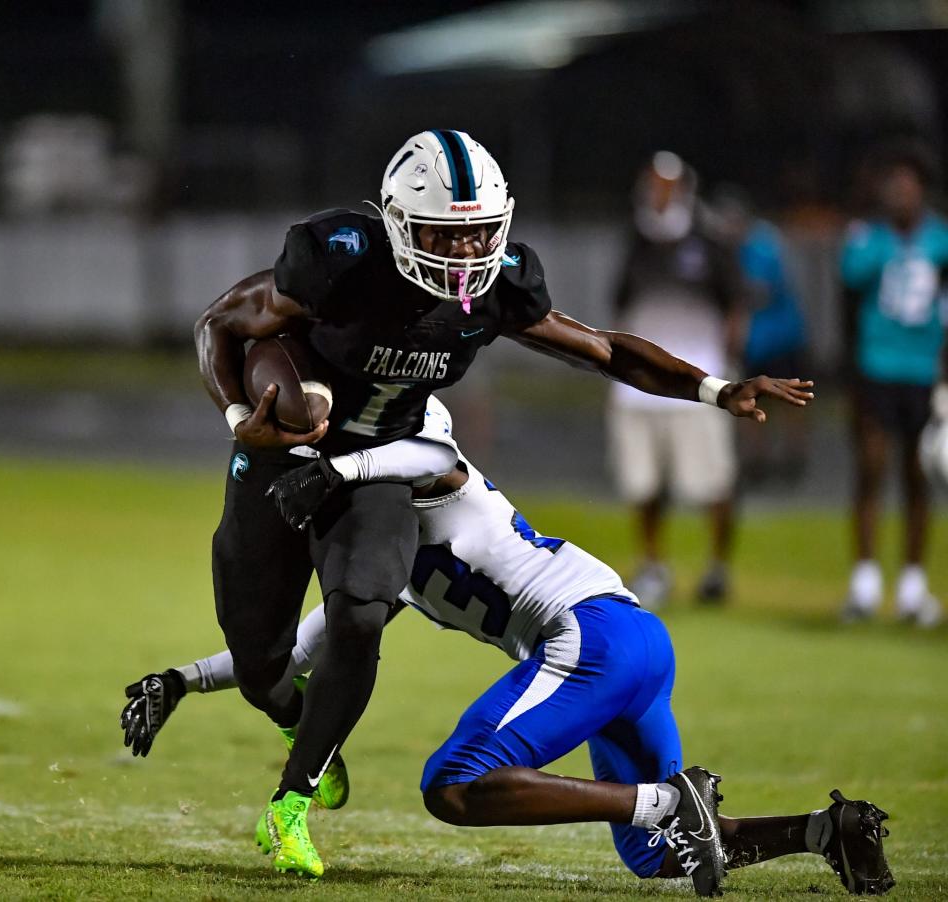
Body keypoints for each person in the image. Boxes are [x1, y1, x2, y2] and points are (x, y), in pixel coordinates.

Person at [192, 129, 814, 876]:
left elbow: (604, 349)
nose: (463, 256)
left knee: (381, 648)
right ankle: (296, 718)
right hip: (290, 450)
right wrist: (241, 420)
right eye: (443, 236)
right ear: (394, 222)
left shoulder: (486, 312)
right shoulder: (337, 259)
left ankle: (295, 798)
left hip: (405, 484)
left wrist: (712, 388)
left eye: (478, 235)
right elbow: (220, 326)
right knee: (265, 667)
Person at [121, 402, 892, 897]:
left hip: (588, 636)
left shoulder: (436, 474)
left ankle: (666, 799)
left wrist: (338, 468)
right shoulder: (380, 559)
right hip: (632, 645)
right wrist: (181, 680)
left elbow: (428, 460)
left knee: (454, 785)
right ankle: (824, 832)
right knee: (653, 855)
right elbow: (295, 655)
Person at [607, 152, 745, 606]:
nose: (658, 194)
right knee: (644, 483)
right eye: (652, 184)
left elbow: (735, 304)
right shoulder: (635, 239)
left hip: (697, 380)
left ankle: (717, 568)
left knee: (712, 481)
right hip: (639, 387)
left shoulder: (708, 241)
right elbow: (621, 303)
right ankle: (652, 565)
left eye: (666, 185)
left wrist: (727, 365)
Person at [839, 140, 948, 627]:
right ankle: (864, 582)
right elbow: (847, 295)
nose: (900, 194)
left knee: (918, 474)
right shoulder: (868, 240)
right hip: (876, 366)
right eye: (893, 186)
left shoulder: (940, 240)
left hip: (923, 370)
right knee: (870, 467)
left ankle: (912, 585)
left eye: (908, 186)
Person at [711, 184, 808, 484]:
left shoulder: (763, 245)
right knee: (750, 398)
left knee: (791, 398)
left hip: (781, 337)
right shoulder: (729, 250)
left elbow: (756, 292)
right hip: (755, 342)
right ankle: (756, 458)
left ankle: (794, 456)